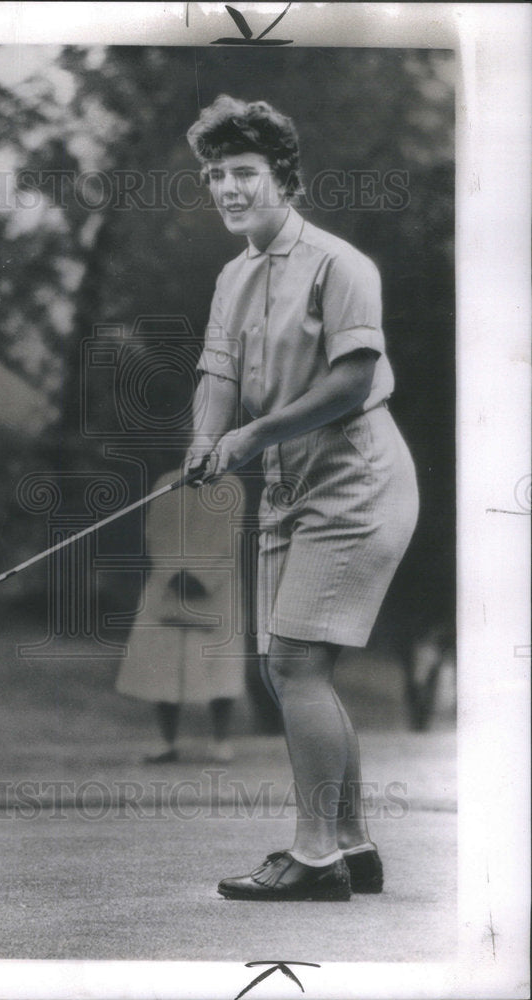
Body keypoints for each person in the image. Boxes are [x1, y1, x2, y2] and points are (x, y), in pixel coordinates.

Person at [184, 96, 419, 901]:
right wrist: (202, 442)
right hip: (286, 482)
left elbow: (352, 379)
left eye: (243, 172)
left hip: (354, 476)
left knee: (293, 662)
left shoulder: (339, 264)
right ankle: (350, 847)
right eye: (215, 174)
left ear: (282, 177)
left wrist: (249, 439)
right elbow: (216, 374)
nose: (228, 188)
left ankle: (312, 856)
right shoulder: (232, 274)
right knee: (290, 669)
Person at [116, 467, 246, 763]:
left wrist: (202, 577)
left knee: (220, 659)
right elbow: (155, 532)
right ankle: (166, 740)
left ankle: (220, 739)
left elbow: (231, 536)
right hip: (169, 584)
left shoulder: (232, 485)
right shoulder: (166, 481)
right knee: (164, 658)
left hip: (216, 585)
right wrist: (172, 573)